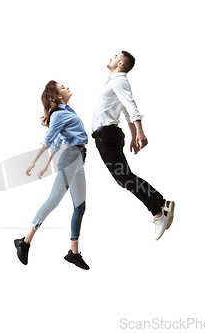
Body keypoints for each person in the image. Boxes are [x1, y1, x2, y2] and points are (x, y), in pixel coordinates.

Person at [91, 51, 175, 240]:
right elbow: (126, 112)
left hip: (106, 135)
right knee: (125, 177)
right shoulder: (113, 82)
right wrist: (133, 135)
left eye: (115, 56)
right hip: (107, 135)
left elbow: (131, 106)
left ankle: (157, 212)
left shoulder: (119, 81)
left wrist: (140, 132)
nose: (110, 57)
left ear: (120, 63)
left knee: (124, 178)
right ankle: (162, 204)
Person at [14, 80, 90, 270]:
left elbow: (57, 141)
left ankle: (73, 253)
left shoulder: (68, 112)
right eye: (62, 87)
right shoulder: (58, 114)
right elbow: (48, 141)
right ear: (57, 96)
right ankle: (25, 241)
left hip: (79, 158)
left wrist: (47, 164)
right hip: (72, 158)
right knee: (53, 200)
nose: (67, 87)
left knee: (80, 207)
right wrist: (35, 161)